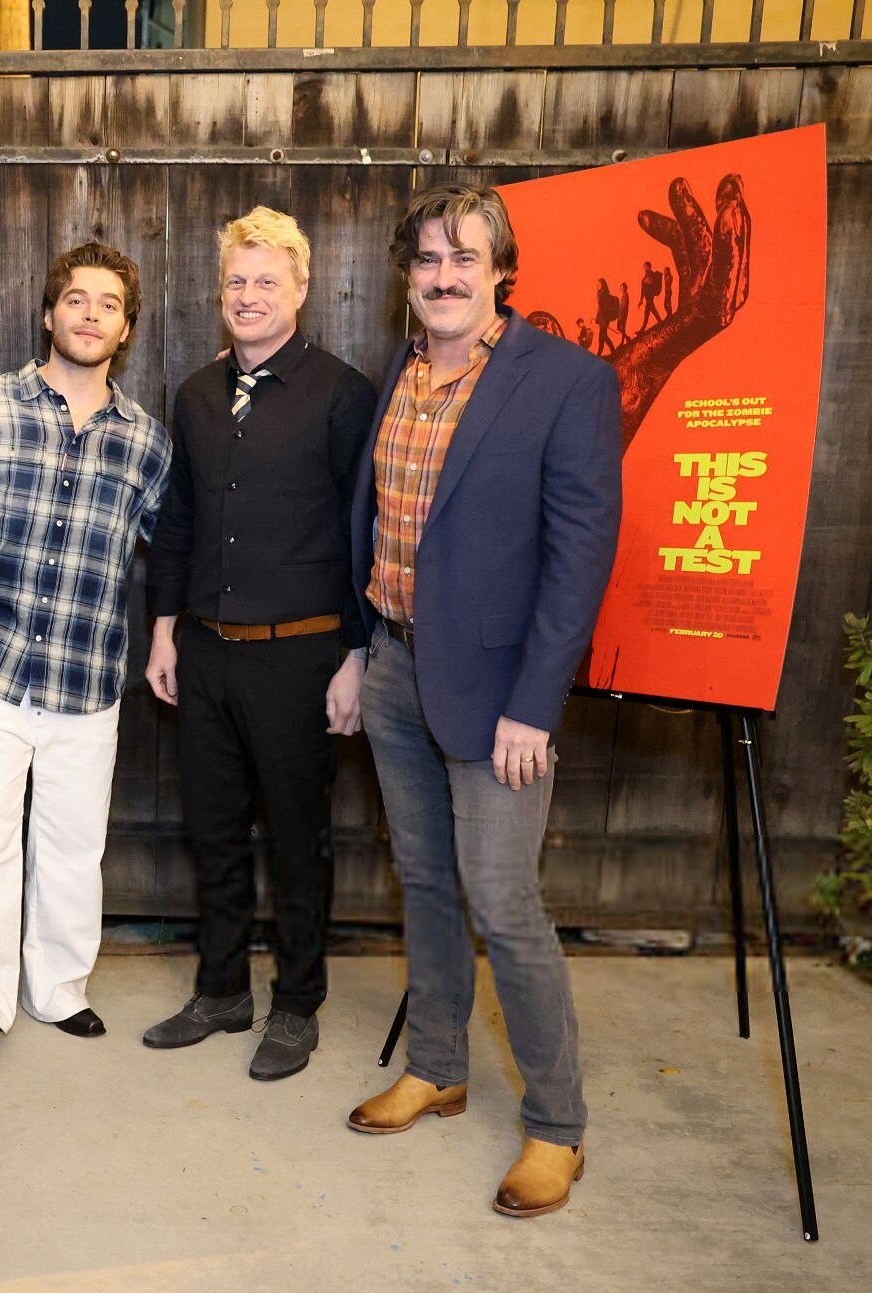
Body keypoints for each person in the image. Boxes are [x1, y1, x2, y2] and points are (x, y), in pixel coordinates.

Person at [344, 184, 621, 1219]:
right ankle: (437, 1067)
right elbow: (377, 521)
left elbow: (578, 557)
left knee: (502, 901)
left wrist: (534, 705)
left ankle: (555, 1124)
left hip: (501, 694)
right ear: (406, 276)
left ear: (502, 270)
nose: (443, 275)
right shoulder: (403, 371)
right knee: (422, 880)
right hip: (394, 665)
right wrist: (361, 648)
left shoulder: (565, 380)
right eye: (426, 258)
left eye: (465, 256)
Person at [140, 207, 376, 1081]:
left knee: (296, 838)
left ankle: (298, 1004)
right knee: (214, 831)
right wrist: (164, 631)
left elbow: (365, 534)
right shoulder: (199, 393)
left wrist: (356, 656)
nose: (248, 295)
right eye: (236, 280)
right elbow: (179, 520)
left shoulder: (342, 394)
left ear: (300, 289)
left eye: (266, 280)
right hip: (205, 652)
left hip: (299, 656)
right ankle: (221, 991)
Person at [0, 241, 172, 1051]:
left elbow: (174, 550)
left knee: (74, 845)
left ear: (126, 328)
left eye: (109, 304)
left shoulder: (145, 442)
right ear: (49, 314)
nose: (90, 314)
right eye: (77, 299)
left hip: (88, 674)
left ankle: (59, 987)